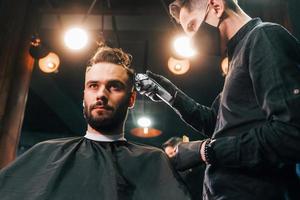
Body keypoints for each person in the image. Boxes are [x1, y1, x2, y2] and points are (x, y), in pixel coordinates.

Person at [136, 0, 300, 199]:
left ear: (216, 6)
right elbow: (219, 124)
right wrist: (171, 96)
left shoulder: (264, 37)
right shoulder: (237, 55)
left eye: (193, 27)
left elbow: (290, 134)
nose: (191, 37)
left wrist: (205, 151)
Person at [0, 45, 191, 200]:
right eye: (93, 86)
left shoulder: (152, 162)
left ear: (131, 99)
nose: (101, 94)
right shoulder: (45, 154)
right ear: (84, 96)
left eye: (114, 86)